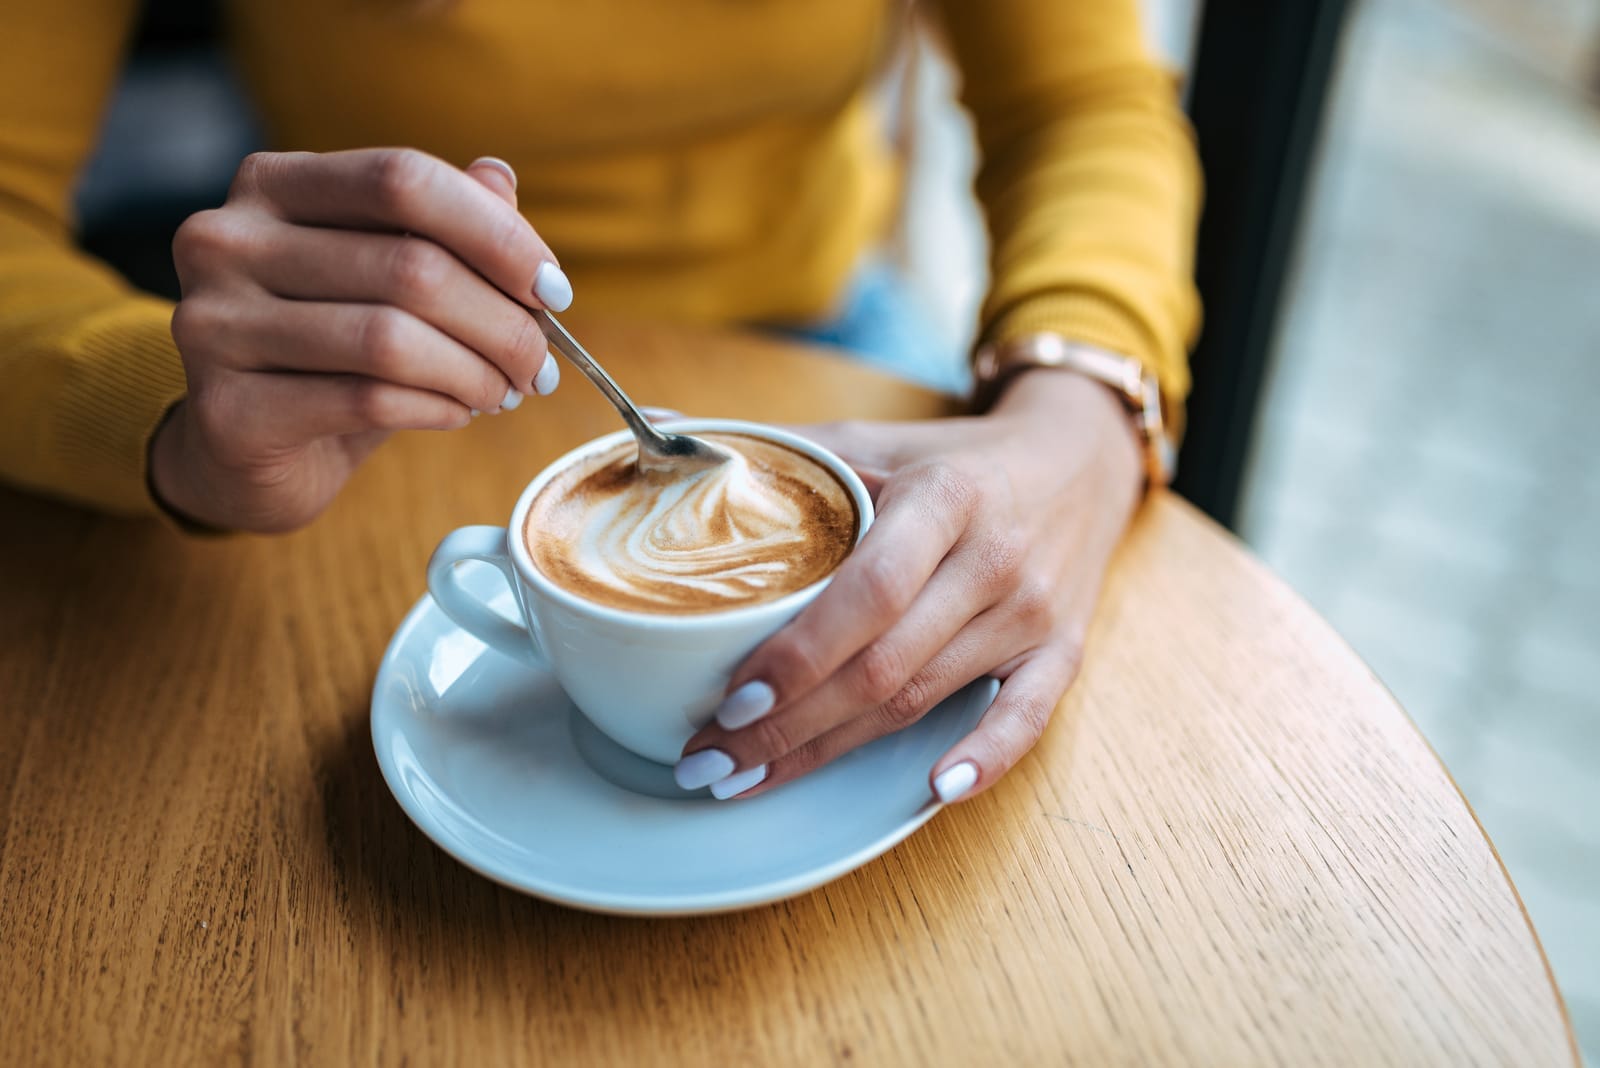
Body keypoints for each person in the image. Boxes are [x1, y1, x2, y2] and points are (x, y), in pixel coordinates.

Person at [0, 1, 1199, 805]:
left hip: (827, 329)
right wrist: (173, 417)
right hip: (376, 392)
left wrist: (1080, 408)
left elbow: (1084, 106)